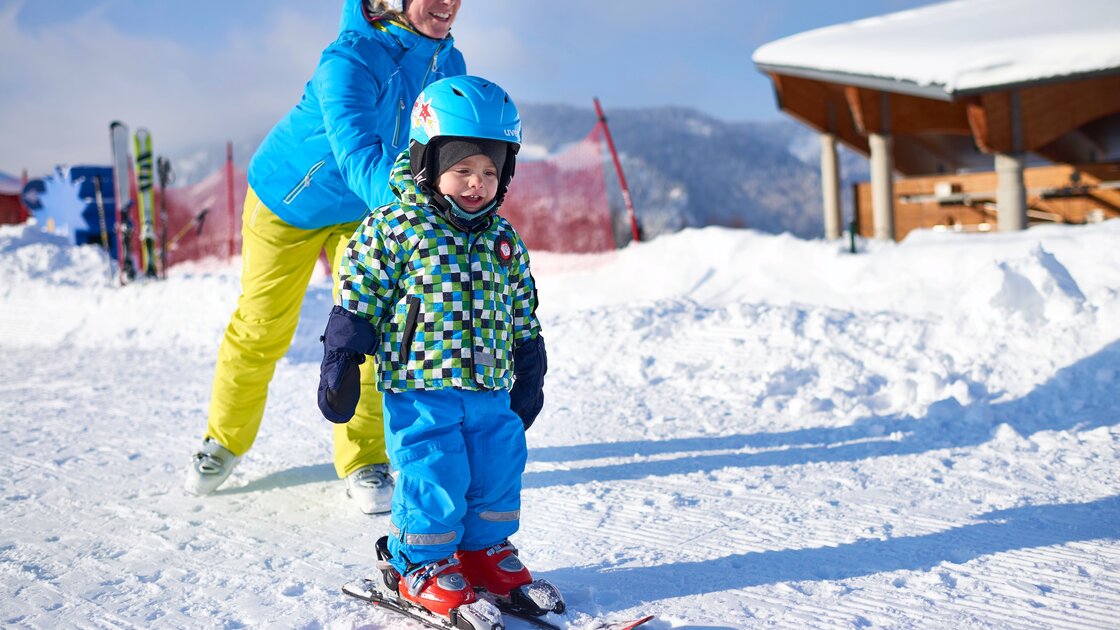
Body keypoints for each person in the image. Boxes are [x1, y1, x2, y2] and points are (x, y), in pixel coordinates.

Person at [184, 0, 466, 516]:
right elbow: (357, 153)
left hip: (362, 209)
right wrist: (412, 208)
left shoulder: (447, 65)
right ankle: (222, 440)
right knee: (263, 324)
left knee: (368, 326)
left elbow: (444, 150)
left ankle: (364, 458)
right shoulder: (349, 60)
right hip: (288, 200)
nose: (449, 3)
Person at [317, 75, 557, 624]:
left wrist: (529, 359)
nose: (477, 184)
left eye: (490, 171)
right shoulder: (396, 228)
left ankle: (484, 549)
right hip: (422, 386)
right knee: (435, 470)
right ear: (427, 164)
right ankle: (418, 561)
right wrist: (344, 354)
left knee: (498, 467)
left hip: (490, 386)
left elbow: (521, 302)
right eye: (462, 170)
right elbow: (360, 288)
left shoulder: (503, 238)